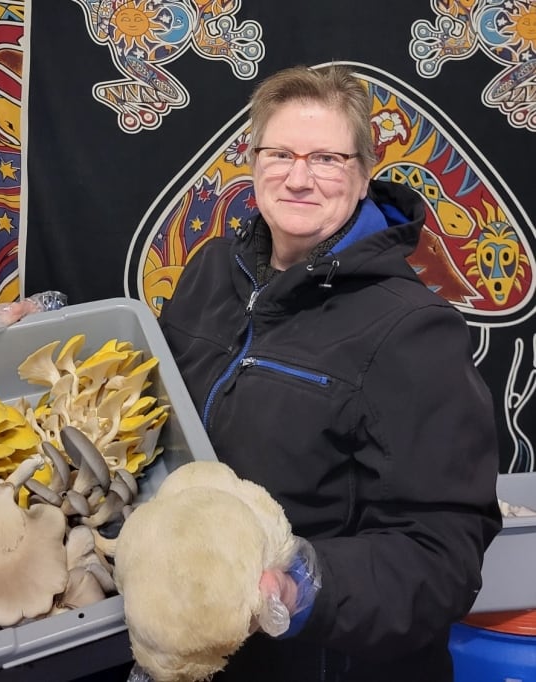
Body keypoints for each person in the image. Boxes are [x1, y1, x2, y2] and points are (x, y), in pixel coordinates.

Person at [156, 63, 502, 682]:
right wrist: (46, 320)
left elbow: (443, 553)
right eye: (281, 153)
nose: (298, 177)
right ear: (253, 161)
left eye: (326, 159)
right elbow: (153, 393)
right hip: (196, 641)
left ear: (363, 176)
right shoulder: (211, 270)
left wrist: (305, 586)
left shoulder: (412, 331)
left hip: (320, 664)